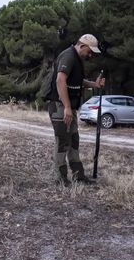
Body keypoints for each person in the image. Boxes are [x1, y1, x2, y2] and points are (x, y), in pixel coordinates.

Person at [42, 34, 105, 186]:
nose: (90, 55)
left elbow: (77, 81)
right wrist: (67, 107)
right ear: (82, 46)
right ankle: (60, 179)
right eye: (89, 52)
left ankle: (79, 176)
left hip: (68, 107)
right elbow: (60, 80)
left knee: (74, 141)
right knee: (63, 141)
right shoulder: (68, 56)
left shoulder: (76, 59)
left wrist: (94, 85)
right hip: (60, 106)